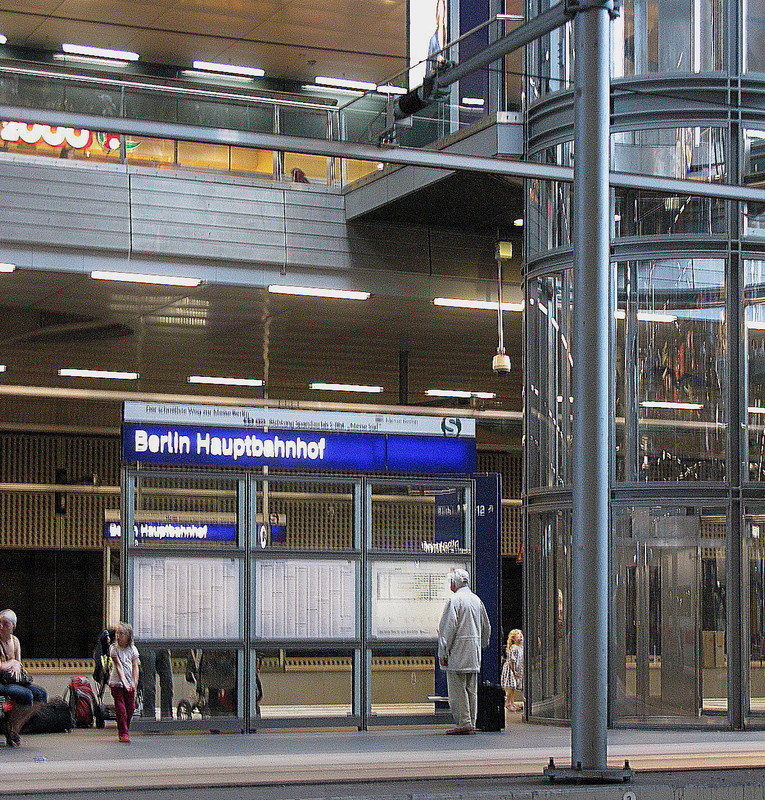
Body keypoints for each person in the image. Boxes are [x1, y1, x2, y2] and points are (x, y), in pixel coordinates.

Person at [437, 568, 491, 734]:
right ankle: (471, 722)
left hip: (458, 652)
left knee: (457, 690)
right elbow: (486, 627)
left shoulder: (454, 600)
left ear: (455, 582)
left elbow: (447, 628)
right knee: (471, 690)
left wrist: (443, 652)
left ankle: (463, 723)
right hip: (473, 653)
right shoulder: (476, 600)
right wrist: (481, 644)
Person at [0, 608, 47, 747]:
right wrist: (10, 663)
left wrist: (17, 665)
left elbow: (19, 663)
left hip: (12, 679)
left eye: (5, 624)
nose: (1, 627)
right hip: (1, 680)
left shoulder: (15, 641)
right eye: (0, 623)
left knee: (41, 694)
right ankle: (10, 729)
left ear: (13, 626)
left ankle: (14, 728)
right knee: (26, 695)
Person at [109, 622, 139, 743]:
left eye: (121, 633)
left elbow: (135, 666)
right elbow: (119, 666)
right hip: (117, 683)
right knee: (121, 707)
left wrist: (134, 682)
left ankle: (124, 727)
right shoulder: (114, 649)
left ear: (128, 635)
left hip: (129, 681)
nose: (118, 636)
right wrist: (124, 682)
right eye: (117, 633)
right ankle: (123, 732)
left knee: (131, 707)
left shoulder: (133, 649)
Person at [142, 648, 173, 719]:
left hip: (163, 645)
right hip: (147, 645)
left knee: (168, 683)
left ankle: (167, 717)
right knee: (149, 685)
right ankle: (149, 718)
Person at [501, 629, 524, 711]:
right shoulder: (514, 648)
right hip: (511, 669)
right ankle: (507, 703)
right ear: (513, 638)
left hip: (517, 668)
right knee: (510, 686)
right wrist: (514, 671)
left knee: (513, 687)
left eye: (521, 634)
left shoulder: (521, 648)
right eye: (518, 634)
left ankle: (512, 702)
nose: (520, 636)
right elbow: (512, 660)